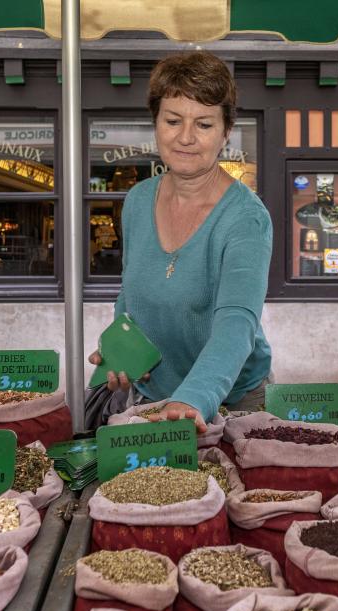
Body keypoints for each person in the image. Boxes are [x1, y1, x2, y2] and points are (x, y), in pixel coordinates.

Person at [89, 51, 273, 433]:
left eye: (203, 124)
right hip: (155, 395)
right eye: (173, 120)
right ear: (155, 123)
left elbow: (237, 323)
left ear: (225, 133)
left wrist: (193, 397)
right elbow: (131, 296)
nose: (186, 137)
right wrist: (121, 354)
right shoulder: (138, 200)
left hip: (233, 400)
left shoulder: (247, 218)